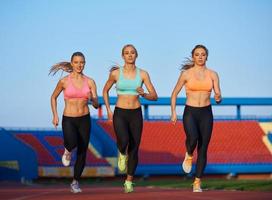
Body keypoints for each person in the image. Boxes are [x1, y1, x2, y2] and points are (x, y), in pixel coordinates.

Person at [103, 44, 158, 193]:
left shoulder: (143, 74)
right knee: (124, 141)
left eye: (132, 53)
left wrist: (144, 93)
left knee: (134, 148)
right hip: (120, 112)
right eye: (127, 53)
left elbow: (154, 96)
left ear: (136, 55)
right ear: (123, 56)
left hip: (136, 113)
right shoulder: (116, 73)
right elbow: (105, 90)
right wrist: (108, 109)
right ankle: (121, 153)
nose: (130, 55)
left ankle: (129, 181)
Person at [170, 44, 222, 192]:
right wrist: (173, 112)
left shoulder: (213, 74)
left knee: (204, 148)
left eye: (203, 54)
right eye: (197, 54)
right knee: (192, 138)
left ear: (207, 57)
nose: (200, 57)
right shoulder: (186, 74)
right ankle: (189, 154)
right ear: (193, 57)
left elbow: (218, 95)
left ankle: (197, 182)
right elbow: (174, 94)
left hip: (206, 113)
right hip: (190, 112)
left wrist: (218, 97)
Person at [50, 52, 99, 193]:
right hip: (69, 118)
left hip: (84, 119)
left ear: (85, 63)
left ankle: (75, 182)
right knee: (71, 143)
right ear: (72, 63)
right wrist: (55, 116)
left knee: (83, 152)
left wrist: (92, 98)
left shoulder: (90, 82)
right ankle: (67, 150)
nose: (79, 65)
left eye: (82, 62)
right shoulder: (64, 81)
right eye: (76, 62)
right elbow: (53, 97)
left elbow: (96, 105)